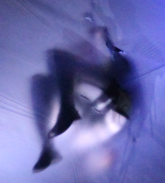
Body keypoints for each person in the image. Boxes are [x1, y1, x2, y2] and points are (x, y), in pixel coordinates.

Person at [31, 20, 135, 172]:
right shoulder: (101, 69)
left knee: (56, 59)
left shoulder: (120, 82)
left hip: (107, 94)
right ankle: (48, 146)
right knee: (40, 81)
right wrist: (103, 40)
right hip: (95, 95)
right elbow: (111, 54)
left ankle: (67, 111)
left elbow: (118, 56)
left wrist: (106, 40)